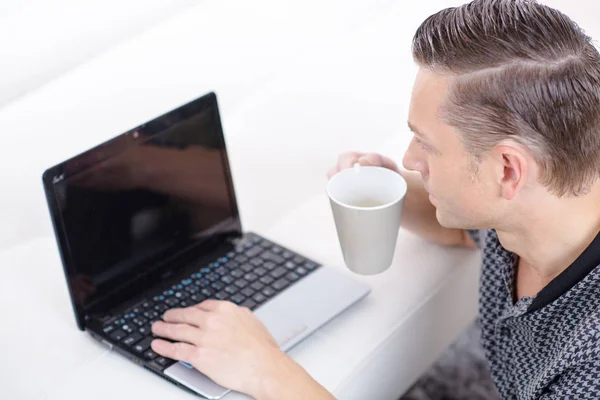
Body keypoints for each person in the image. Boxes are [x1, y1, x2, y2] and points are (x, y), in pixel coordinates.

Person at [149, 0, 600, 398]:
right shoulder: (544, 196)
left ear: (507, 170)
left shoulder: (588, 368)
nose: (409, 158)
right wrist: (390, 194)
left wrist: (265, 371)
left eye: (427, 145)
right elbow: (469, 229)